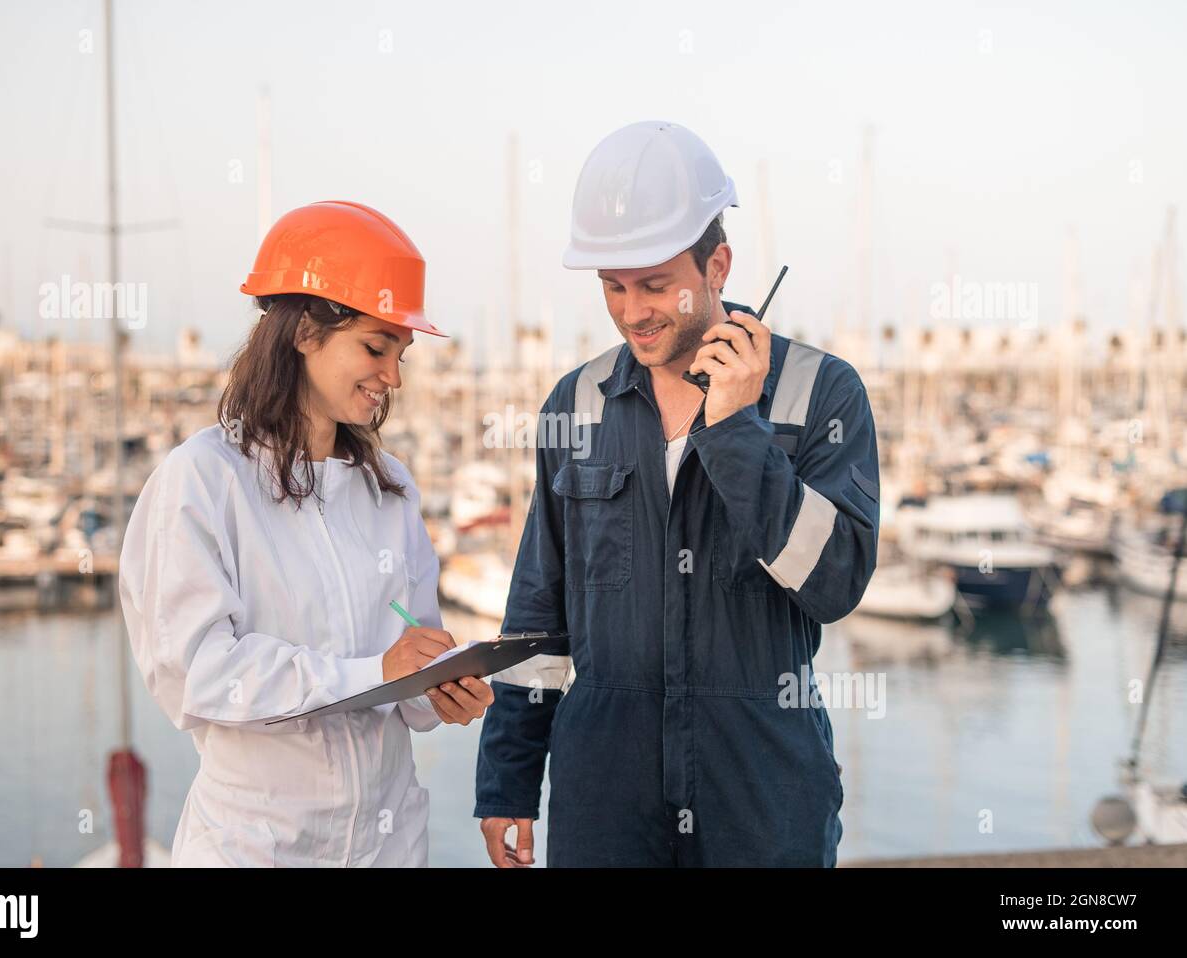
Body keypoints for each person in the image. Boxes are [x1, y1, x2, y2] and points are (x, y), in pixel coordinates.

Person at [474, 122, 880, 867]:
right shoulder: (578, 403)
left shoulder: (822, 392)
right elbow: (539, 609)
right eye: (613, 288)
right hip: (606, 805)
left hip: (763, 801)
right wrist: (507, 777)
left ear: (717, 265)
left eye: (656, 285)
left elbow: (837, 581)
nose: (633, 312)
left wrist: (733, 430)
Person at [119, 200, 493, 867]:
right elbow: (197, 674)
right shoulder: (202, 482)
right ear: (303, 333)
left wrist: (438, 689)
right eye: (376, 347)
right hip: (254, 851)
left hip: (388, 847)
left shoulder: (392, 490)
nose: (394, 376)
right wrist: (369, 672)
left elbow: (410, 657)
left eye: (401, 353)